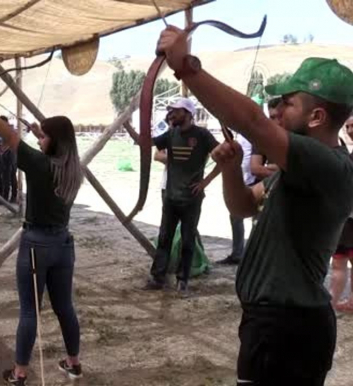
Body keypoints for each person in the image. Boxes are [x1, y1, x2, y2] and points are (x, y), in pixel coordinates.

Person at [158, 25, 353, 384]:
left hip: (288, 326)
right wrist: (231, 169)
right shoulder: (297, 168)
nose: (277, 111)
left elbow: (252, 121)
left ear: (317, 117)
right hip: (274, 322)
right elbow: (244, 206)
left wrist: (186, 67)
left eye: (287, 103)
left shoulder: (327, 164)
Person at [0, 89, 83, 386]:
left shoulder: (39, 165)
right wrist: (41, 132)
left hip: (37, 244)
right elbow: (41, 145)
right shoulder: (74, 168)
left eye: (44, 136)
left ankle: (19, 372)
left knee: (28, 311)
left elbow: (8, 135)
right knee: (65, 307)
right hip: (63, 244)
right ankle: (74, 363)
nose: (39, 139)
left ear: (53, 141)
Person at [123, 98, 221, 293]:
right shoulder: (171, 134)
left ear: (187, 112)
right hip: (171, 197)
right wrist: (127, 125)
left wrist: (205, 182)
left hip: (191, 200)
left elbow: (223, 157)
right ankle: (157, 278)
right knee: (164, 238)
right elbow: (144, 143)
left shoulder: (202, 135)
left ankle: (182, 281)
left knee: (187, 240)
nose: (171, 115)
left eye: (176, 111)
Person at [217, 132, 255, 265]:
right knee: (235, 217)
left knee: (256, 221)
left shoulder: (253, 136)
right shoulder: (238, 136)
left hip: (253, 181)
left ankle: (252, 254)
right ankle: (238, 253)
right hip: (241, 181)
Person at [330, 116, 353, 312]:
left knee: (340, 262)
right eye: (348, 126)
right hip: (344, 218)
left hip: (346, 217)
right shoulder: (347, 155)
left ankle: (334, 302)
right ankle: (335, 302)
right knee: (339, 262)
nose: (350, 129)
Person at [249, 97, 280, 183]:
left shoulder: (298, 134)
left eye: (280, 117)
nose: (277, 122)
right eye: (273, 117)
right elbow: (255, 169)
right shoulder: (263, 136)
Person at [0, 115, 19, 203]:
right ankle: (11, 197)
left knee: (8, 176)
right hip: (7, 153)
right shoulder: (4, 130)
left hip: (10, 154)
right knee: (9, 176)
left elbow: (11, 142)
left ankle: (6, 197)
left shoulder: (9, 130)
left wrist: (4, 149)